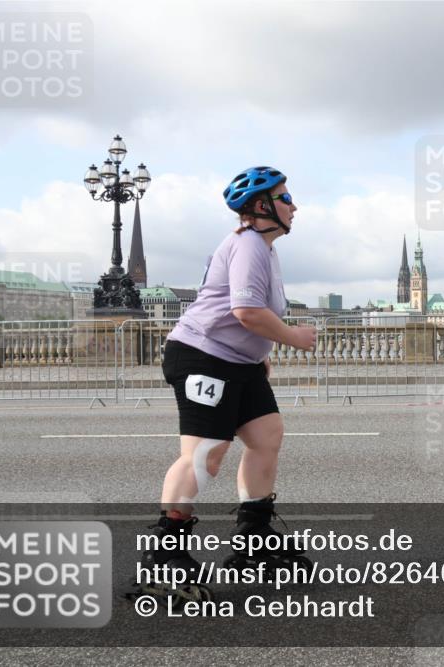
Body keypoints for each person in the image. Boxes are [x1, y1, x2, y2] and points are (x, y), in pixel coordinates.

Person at [142, 166, 317, 581]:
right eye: (286, 198)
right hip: (202, 355)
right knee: (206, 455)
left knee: (266, 435)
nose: (295, 206)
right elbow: (246, 311)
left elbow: (246, 315)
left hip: (239, 363)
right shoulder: (250, 244)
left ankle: (254, 537)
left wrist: (259, 354)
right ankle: (165, 556)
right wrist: (292, 337)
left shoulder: (265, 250)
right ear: (262, 206)